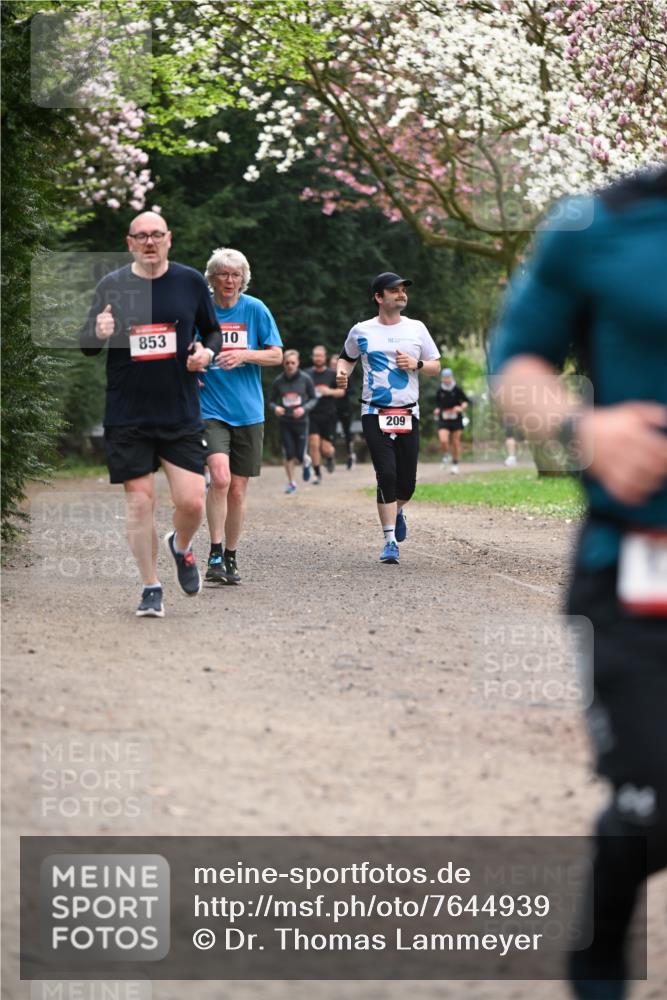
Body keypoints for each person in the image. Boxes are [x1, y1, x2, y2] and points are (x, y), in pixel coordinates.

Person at [490, 167, 667, 1000]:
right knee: (652, 804)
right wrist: (579, 426)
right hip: (639, 571)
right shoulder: (598, 225)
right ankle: (598, 964)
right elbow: (516, 363)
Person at [80, 211, 222, 618]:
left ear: (168, 239)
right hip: (128, 413)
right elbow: (89, 343)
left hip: (179, 411)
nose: (149, 242)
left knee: (193, 502)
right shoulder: (113, 285)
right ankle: (150, 586)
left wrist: (206, 352)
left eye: (156, 234)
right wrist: (99, 331)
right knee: (140, 502)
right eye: (141, 236)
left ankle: (179, 545)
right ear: (129, 243)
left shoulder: (190, 281)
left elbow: (210, 330)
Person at [336, 271, 441, 564]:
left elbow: (435, 365)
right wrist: (342, 373)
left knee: (407, 484)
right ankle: (390, 540)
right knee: (387, 474)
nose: (401, 293)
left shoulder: (417, 328)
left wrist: (417, 363)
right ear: (379, 297)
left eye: (403, 289)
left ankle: (397, 509)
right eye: (393, 290)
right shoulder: (361, 330)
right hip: (374, 411)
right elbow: (346, 357)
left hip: (408, 411)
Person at [199, 248, 283, 585]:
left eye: (235, 274)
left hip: (248, 411)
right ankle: (215, 552)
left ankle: (231, 557)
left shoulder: (256, 309)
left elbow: (277, 355)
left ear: (243, 279)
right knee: (219, 477)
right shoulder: (200, 309)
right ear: (213, 278)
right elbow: (185, 349)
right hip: (210, 408)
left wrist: (245, 354)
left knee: (237, 489)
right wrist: (193, 368)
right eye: (222, 274)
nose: (229, 280)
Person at [269, 350, 317, 493]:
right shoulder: (278, 381)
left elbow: (314, 398)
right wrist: (276, 408)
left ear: (298, 363)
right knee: (289, 453)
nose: (290, 365)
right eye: (287, 363)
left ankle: (306, 461)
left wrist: (304, 408)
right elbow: (270, 401)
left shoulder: (305, 379)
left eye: (293, 363)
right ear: (283, 363)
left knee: (300, 456)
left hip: (301, 421)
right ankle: (291, 483)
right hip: (285, 421)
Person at [306, 345, 345, 483]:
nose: (318, 358)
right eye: (316, 355)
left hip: (329, 415)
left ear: (325, 357)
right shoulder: (306, 374)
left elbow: (341, 391)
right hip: (312, 414)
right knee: (313, 444)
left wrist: (329, 391)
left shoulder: (331, 374)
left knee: (326, 448)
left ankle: (330, 456)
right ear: (312, 357)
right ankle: (317, 474)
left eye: (320, 356)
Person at [434, 367, 470, 473]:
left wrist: (461, 408)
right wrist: (437, 410)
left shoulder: (457, 389)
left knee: (455, 442)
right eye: (444, 377)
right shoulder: (440, 390)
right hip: (444, 418)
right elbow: (438, 405)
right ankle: (446, 456)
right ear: (442, 378)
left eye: (448, 377)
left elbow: (465, 402)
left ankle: (455, 464)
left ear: (452, 377)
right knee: (443, 440)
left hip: (456, 419)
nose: (446, 379)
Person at [330, 352, 355, 469]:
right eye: (332, 364)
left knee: (347, 433)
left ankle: (350, 455)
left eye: (336, 364)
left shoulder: (345, 375)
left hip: (345, 408)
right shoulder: (328, 376)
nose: (334, 366)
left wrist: (342, 392)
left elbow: (352, 391)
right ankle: (331, 457)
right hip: (331, 408)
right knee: (332, 432)